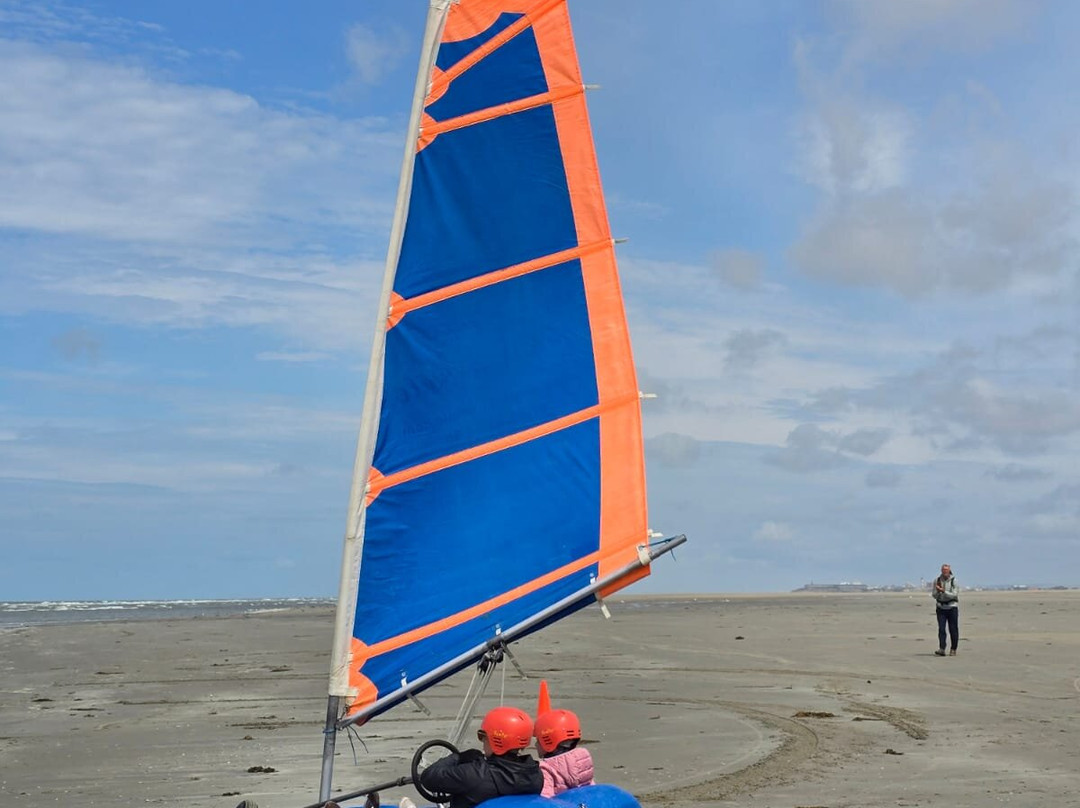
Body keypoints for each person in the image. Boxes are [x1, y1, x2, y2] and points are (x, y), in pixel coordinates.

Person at [415, 706, 543, 808]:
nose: (482, 741)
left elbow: (428, 777)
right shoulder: (536, 775)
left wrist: (458, 757)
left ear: (495, 740)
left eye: (483, 736)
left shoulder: (474, 774)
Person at [533, 709, 595, 797]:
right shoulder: (583, 759)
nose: (535, 745)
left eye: (538, 740)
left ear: (548, 741)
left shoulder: (546, 769)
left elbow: (545, 801)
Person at [932, 563, 960, 656]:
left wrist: (944, 591)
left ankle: (953, 649)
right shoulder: (937, 580)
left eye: (946, 570)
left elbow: (954, 594)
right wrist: (938, 591)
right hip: (941, 607)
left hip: (952, 607)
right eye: (943, 570)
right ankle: (942, 648)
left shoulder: (954, 580)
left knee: (953, 629)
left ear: (949, 571)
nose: (945, 572)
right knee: (941, 629)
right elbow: (934, 595)